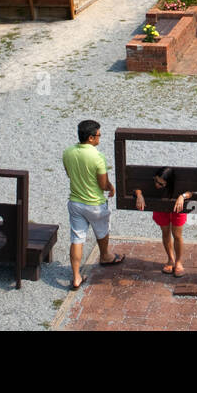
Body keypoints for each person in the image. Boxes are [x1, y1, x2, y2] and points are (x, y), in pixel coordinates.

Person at [62, 119, 125, 290]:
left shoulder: (67, 152)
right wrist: (111, 187)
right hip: (95, 204)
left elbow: (69, 174)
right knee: (102, 231)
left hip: (75, 202)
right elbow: (103, 184)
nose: (100, 138)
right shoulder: (97, 157)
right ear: (90, 138)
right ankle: (105, 256)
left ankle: (76, 276)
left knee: (77, 238)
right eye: (98, 135)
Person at [132, 167, 195, 277]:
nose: (157, 185)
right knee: (165, 232)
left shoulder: (176, 185)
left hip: (177, 207)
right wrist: (139, 194)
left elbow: (191, 191)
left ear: (169, 183)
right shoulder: (154, 185)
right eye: (155, 181)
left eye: (161, 184)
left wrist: (182, 196)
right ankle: (170, 259)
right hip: (159, 205)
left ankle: (178, 262)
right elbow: (135, 187)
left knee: (177, 235)